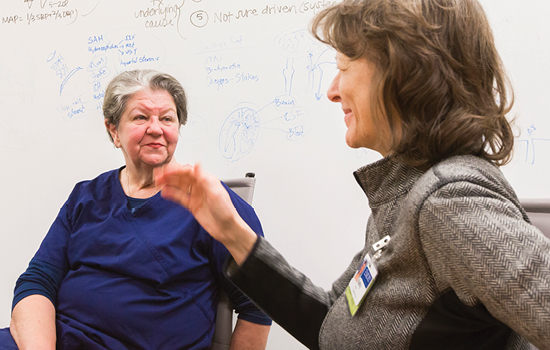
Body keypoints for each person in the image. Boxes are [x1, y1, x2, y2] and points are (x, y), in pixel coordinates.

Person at [154, 0, 550, 349]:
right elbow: (331, 328)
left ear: (404, 72)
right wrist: (232, 233)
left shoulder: (449, 201)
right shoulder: (405, 193)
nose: (332, 90)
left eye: (344, 67)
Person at [1, 69, 271, 349]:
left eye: (167, 118)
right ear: (113, 130)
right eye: (141, 117)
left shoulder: (214, 203)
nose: (156, 128)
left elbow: (260, 304)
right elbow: (38, 280)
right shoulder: (86, 196)